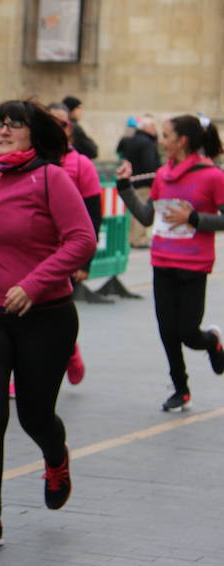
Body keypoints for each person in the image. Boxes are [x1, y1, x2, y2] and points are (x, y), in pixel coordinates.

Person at [0, 100, 96, 551]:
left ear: (35, 134)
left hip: (44, 317)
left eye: (16, 124)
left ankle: (56, 457)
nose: (4, 130)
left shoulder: (52, 179)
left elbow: (82, 239)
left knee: (35, 415)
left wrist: (33, 284)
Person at [115, 115, 224, 412]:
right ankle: (181, 388)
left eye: (166, 136)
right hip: (162, 261)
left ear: (182, 141)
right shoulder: (163, 175)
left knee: (188, 332)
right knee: (167, 331)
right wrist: (124, 187)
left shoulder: (213, 176)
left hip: (194, 265)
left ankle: (212, 341)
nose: (161, 142)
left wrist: (193, 218)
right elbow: (148, 217)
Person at [47, 102, 103, 386]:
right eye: (51, 122)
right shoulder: (25, 163)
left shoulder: (81, 164)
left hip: (67, 252)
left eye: (64, 123)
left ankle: (70, 350)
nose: (58, 128)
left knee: (56, 311)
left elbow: (93, 216)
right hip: (31, 249)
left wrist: (85, 261)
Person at [117, 114, 161, 248]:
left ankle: (132, 238)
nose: (155, 129)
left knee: (134, 211)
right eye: (153, 125)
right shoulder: (147, 143)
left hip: (132, 179)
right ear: (146, 127)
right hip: (144, 180)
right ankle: (138, 239)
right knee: (142, 211)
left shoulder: (130, 139)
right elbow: (149, 164)